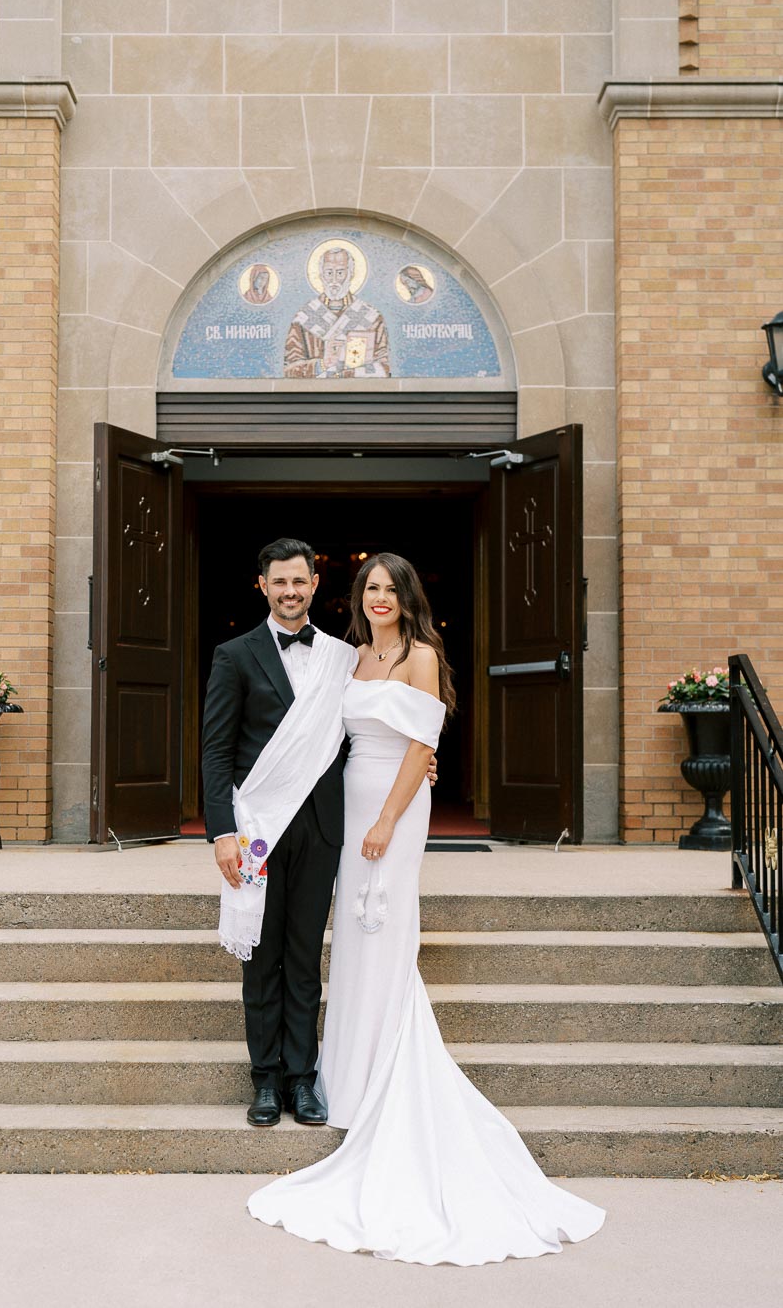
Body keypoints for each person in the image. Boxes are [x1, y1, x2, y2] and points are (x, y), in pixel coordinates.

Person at [247, 553, 607, 1265]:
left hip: (394, 807)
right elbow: (323, 734)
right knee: (349, 940)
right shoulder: (350, 657)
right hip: (348, 795)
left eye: (390, 589)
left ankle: (383, 1080)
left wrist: (386, 819)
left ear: (409, 596)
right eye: (370, 588)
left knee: (382, 931)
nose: (379, 598)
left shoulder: (420, 655)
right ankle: (341, 1083)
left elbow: (421, 747)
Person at [201, 539, 436, 1129]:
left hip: (329, 825)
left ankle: (304, 1080)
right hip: (259, 828)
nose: (290, 592)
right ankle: (264, 1080)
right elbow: (215, 752)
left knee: (306, 955)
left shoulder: (341, 657)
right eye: (279, 582)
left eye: (299, 582)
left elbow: (394, 727)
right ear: (263, 586)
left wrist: (423, 765)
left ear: (314, 584)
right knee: (263, 955)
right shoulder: (234, 655)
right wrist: (222, 832)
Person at [283, 246, 390, 378]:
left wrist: (349, 370)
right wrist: (322, 365)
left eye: (340, 273)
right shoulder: (303, 317)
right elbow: (289, 371)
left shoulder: (371, 317)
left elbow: (384, 368)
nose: (334, 280)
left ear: (351, 274)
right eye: (329, 272)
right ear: (321, 275)